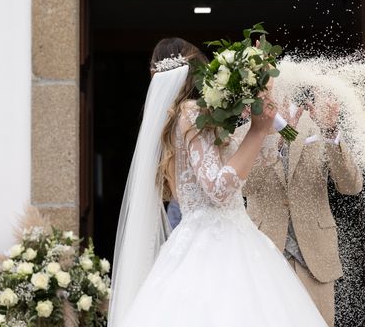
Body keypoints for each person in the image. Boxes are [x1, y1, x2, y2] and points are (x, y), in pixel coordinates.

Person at [108, 38, 327, 327]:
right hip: (218, 242)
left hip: (225, 233)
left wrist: (271, 125)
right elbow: (219, 189)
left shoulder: (192, 117)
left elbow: (251, 161)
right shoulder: (191, 113)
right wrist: (258, 131)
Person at [243, 88, 363, 326]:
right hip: (266, 258)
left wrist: (329, 131)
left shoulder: (317, 122)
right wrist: (273, 143)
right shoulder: (241, 134)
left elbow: (351, 185)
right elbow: (242, 188)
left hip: (315, 259)